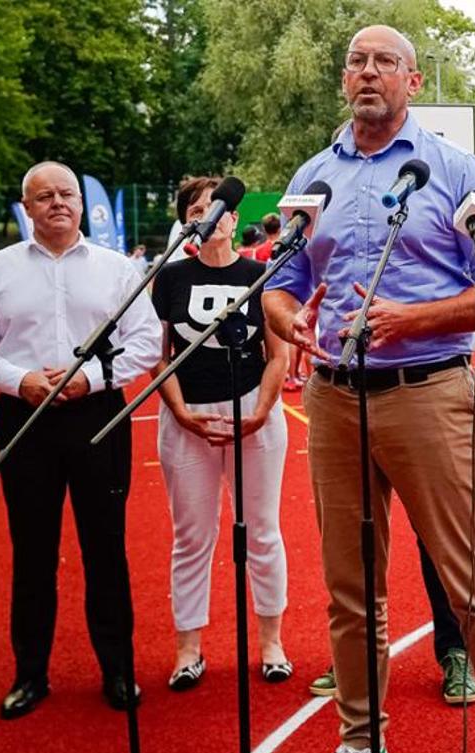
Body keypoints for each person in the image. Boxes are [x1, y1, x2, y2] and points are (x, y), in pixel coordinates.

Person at [259, 25, 475, 753]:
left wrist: (411, 320)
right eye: (358, 60)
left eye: (386, 61)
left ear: (413, 81)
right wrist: (285, 318)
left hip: (430, 394)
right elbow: (280, 281)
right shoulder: (314, 176)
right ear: (343, 78)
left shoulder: (454, 170)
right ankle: (360, 746)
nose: (369, 72)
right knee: (350, 592)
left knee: (474, 587)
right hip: (333, 397)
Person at [0, 161, 162, 720]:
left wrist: (88, 379)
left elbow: (146, 342)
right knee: (33, 550)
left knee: (106, 548)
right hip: (24, 420)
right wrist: (18, 378)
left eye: (66, 193)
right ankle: (30, 674)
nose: (58, 203)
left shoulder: (118, 269)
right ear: (27, 208)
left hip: (98, 417)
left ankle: (117, 669)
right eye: (44, 197)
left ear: (81, 203)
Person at [150, 176, 295, 691]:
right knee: (192, 536)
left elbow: (278, 356)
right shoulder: (169, 279)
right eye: (197, 209)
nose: (209, 215)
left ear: (234, 218)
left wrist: (260, 411)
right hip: (187, 419)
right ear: (187, 222)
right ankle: (188, 649)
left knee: (262, 530)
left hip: (253, 414)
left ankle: (271, 642)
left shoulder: (261, 275)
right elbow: (159, 358)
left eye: (218, 207)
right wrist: (181, 412)